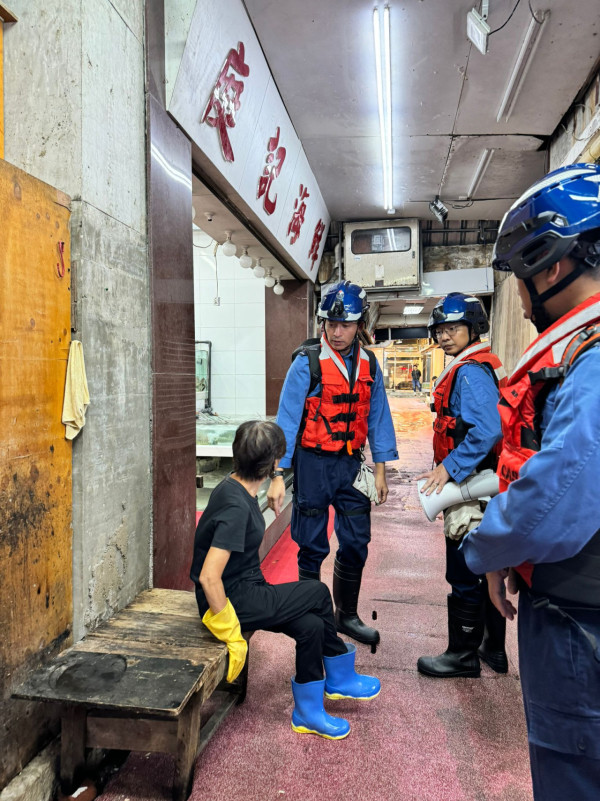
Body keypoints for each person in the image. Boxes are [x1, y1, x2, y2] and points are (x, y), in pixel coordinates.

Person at [461, 163, 600, 800]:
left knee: (570, 770)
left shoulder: (592, 362)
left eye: (521, 276)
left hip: (579, 621)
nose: (518, 297)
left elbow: (558, 495)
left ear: (553, 265)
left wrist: (486, 545)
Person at [190, 420, 380, 740]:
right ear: (275, 463)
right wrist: (231, 634)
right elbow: (209, 577)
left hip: (248, 587)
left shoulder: (235, 486)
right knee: (318, 593)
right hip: (230, 599)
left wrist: (274, 484)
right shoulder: (236, 508)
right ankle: (338, 676)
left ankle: (307, 712)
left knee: (311, 628)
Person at [267, 281, 398, 647]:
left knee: (356, 541)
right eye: (330, 323)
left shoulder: (370, 364)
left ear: (360, 325)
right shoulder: (306, 363)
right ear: (322, 322)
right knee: (311, 545)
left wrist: (382, 470)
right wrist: (278, 475)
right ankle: (313, 621)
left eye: (346, 325)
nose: (337, 332)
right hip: (312, 464)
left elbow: (378, 418)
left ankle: (347, 615)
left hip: (351, 466)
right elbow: (287, 422)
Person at [416, 292, 507, 678]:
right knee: (487, 564)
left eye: (454, 328)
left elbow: (486, 430)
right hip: (487, 481)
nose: (445, 336)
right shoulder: (475, 366)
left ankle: (462, 655)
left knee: (464, 568)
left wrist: (449, 468)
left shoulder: (469, 372)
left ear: (473, 328)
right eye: (441, 329)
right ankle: (493, 649)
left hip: (472, 484)